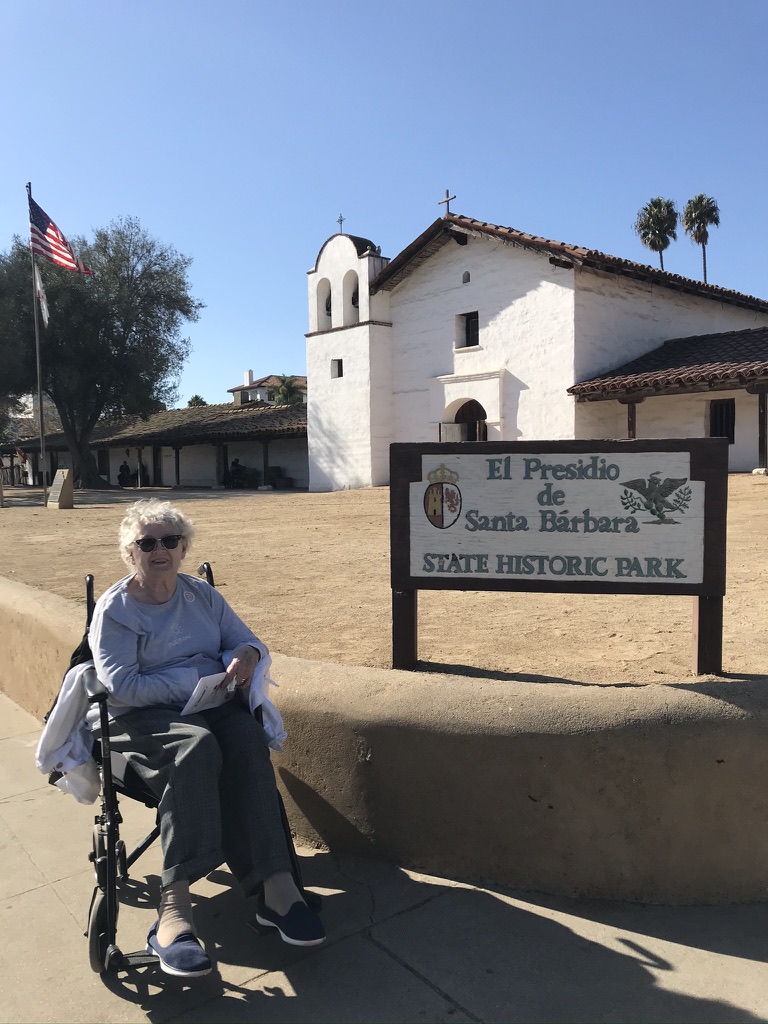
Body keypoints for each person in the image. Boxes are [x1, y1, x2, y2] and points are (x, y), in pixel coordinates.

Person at [88, 498, 324, 978]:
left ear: (183, 547)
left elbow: (245, 639)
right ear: (130, 553)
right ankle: (173, 910)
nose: (160, 550)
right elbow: (123, 686)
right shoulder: (116, 610)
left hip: (207, 703)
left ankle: (277, 888)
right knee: (196, 747)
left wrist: (246, 655)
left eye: (170, 541)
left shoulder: (200, 595)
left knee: (247, 738)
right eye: (147, 543)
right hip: (140, 716)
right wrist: (195, 679)